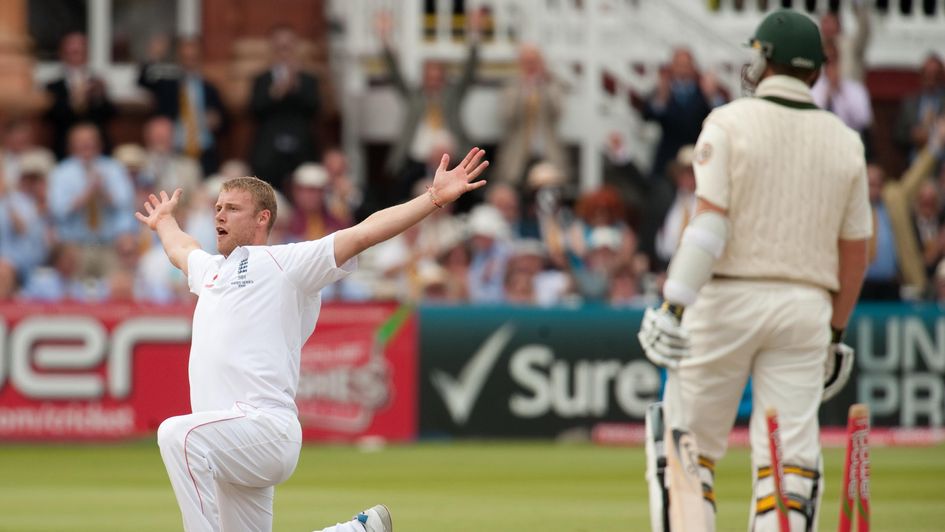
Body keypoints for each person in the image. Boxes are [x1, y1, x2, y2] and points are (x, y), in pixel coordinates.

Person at [137, 147, 488, 532]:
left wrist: (433, 198)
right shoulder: (211, 271)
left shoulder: (286, 264)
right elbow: (181, 249)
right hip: (230, 444)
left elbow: (363, 234)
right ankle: (358, 530)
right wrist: (165, 221)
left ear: (262, 218)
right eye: (218, 207)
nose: (219, 214)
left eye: (232, 208)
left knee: (177, 435)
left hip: (263, 429)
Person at [637, 10, 872, 532]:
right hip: (806, 308)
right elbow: (856, 251)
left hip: (725, 301)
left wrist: (673, 305)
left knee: (686, 452)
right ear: (815, 70)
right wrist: (835, 331)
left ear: (763, 59)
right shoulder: (845, 140)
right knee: (788, 468)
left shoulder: (729, 121)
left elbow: (708, 229)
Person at [249, 25, 320, 194]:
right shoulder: (262, 80)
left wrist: (297, 87)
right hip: (270, 149)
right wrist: (276, 92)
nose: (284, 53)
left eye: (288, 48)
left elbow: (315, 109)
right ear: (273, 50)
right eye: (280, 48)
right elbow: (254, 111)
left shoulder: (308, 80)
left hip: (300, 147)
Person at [45, 32, 116, 159]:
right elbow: (52, 116)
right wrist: (74, 100)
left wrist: (100, 97)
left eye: (79, 51)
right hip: (65, 149)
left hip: (97, 149)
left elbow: (110, 114)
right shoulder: (54, 86)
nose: (76, 55)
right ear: (62, 54)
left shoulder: (96, 82)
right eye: (72, 52)